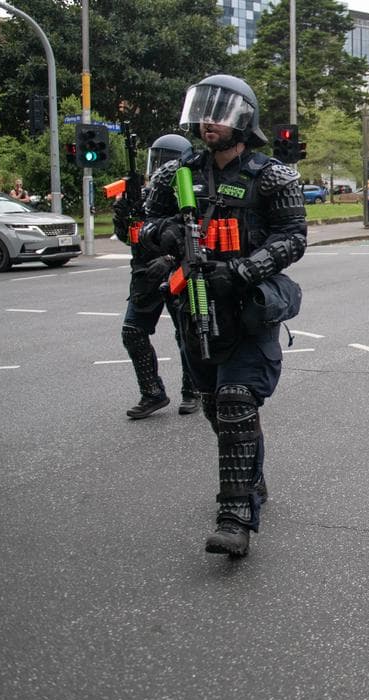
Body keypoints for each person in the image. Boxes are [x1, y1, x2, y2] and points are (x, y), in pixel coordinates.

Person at [140, 74, 307, 556]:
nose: (207, 120)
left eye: (219, 111)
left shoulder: (272, 176)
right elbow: (142, 226)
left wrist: (241, 270)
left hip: (248, 307)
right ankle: (250, 476)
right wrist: (166, 235)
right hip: (194, 307)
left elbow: (293, 237)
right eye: (203, 110)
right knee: (217, 405)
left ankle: (235, 517)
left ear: (243, 119)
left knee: (236, 400)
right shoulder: (177, 174)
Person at [117, 133, 200, 419]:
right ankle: (152, 392)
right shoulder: (141, 196)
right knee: (133, 332)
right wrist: (123, 215)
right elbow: (129, 238)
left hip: (176, 270)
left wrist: (169, 259)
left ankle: (193, 391)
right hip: (144, 274)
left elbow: (190, 232)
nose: (159, 167)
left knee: (186, 333)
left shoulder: (189, 195)